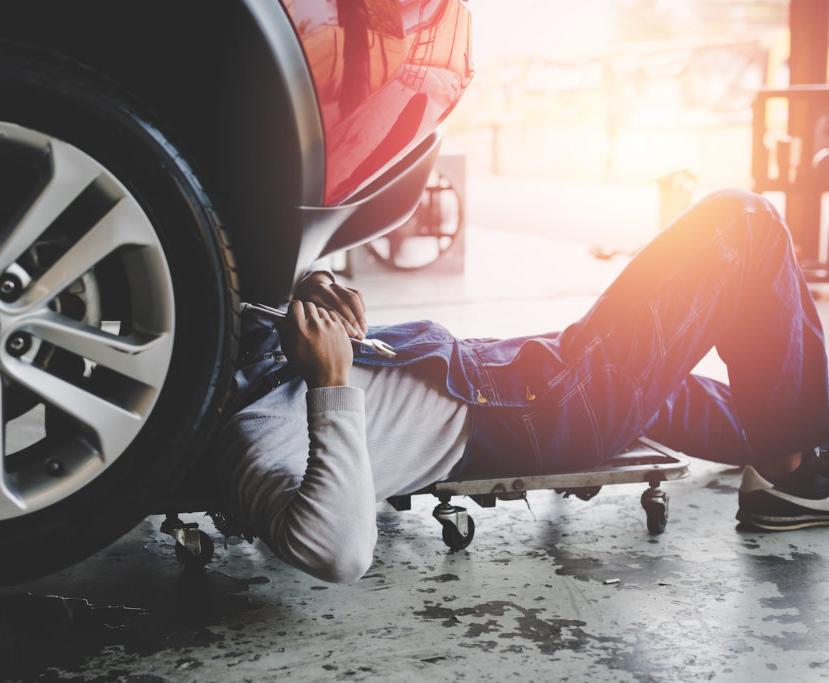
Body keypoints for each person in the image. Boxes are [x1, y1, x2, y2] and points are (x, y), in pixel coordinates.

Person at [217, 190, 829, 583]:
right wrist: (331, 381)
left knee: (712, 393)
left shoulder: (251, 348)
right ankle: (790, 472)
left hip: (525, 373)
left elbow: (265, 284)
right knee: (744, 222)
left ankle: (798, 441)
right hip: (549, 408)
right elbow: (336, 554)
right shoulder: (255, 431)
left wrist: (312, 286)